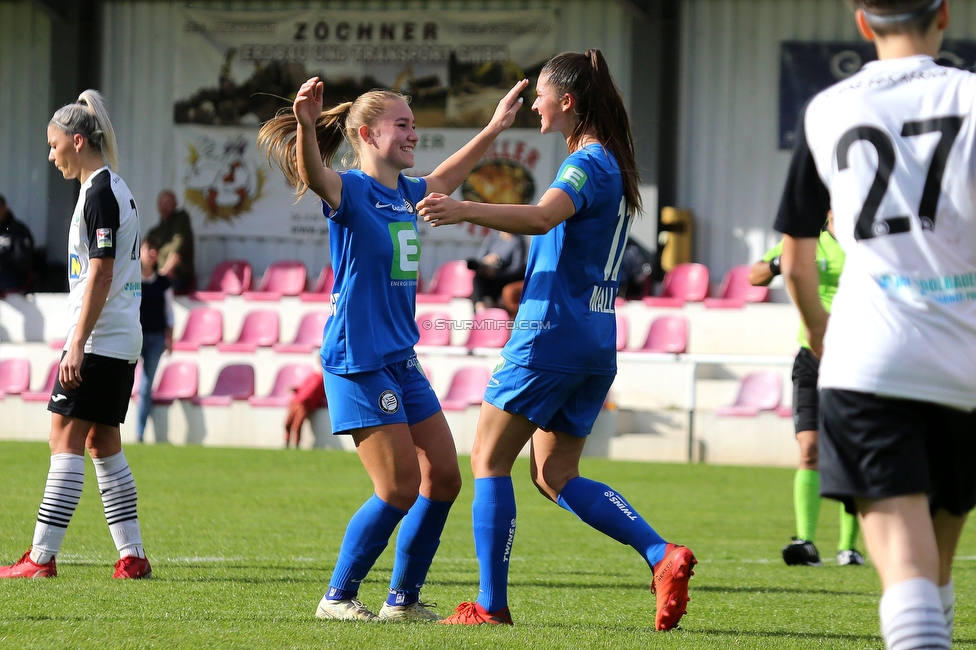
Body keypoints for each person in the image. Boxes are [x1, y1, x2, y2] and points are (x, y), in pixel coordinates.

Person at [418, 49, 697, 630]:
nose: (535, 104)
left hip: (550, 337)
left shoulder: (587, 163)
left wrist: (461, 207)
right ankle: (660, 554)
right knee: (553, 475)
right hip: (594, 339)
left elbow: (543, 218)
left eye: (541, 94)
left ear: (567, 101)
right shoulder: (610, 164)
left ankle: (490, 606)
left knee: (489, 460)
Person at [257, 75, 528, 621]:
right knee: (399, 487)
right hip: (358, 360)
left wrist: (496, 126)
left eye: (413, 123)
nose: (413, 132)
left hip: (400, 359)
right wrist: (307, 127)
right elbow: (314, 174)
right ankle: (337, 596)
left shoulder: (406, 193)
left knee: (445, 479)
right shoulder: (350, 190)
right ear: (365, 134)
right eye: (401, 124)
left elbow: (450, 174)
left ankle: (401, 601)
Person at [775, 0, 976, 647]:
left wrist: (818, 331)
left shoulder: (828, 108)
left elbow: (796, 261)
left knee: (909, 575)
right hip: (965, 359)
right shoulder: (972, 97)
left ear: (862, 22)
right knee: (936, 567)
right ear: (944, 15)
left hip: (872, 358)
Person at [0, 90, 151, 579]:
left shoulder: (101, 193)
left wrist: (78, 342)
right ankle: (132, 556)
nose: (51, 155)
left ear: (77, 140)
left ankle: (40, 558)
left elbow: (101, 275)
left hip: (102, 341)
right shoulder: (112, 189)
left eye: (53, 144)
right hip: (119, 338)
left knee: (63, 436)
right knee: (102, 443)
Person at [750, 213, 864, 568]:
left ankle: (848, 546)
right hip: (811, 358)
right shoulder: (807, 240)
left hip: (857, 360)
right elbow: (754, 276)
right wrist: (778, 262)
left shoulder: (867, 241)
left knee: (852, 452)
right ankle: (806, 541)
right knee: (809, 448)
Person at [136, 235, 174, 443]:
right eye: (148, 248)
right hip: (133, 339)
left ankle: (139, 433)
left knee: (145, 386)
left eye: (154, 250)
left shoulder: (162, 282)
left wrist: (170, 338)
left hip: (156, 338)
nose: (152, 253)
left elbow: (169, 313)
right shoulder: (131, 280)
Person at [147, 190, 195, 294]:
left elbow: (178, 248)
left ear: (175, 204)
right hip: (158, 276)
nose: (164, 206)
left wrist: (162, 274)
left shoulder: (181, 218)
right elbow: (145, 253)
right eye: (162, 203)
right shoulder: (154, 232)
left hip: (179, 277)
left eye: (168, 203)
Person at [467, 230, 527, 312]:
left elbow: (516, 268)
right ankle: (481, 307)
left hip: (505, 278)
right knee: (477, 279)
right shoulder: (493, 237)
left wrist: (497, 274)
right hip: (489, 276)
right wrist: (488, 261)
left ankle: (489, 305)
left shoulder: (518, 241)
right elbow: (481, 257)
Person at [0, 193, 35, 294]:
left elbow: (22, 260)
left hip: (15, 277)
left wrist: (3, 259)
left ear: (5, 208)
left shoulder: (17, 230)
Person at [284, 369, 325, 448]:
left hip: (305, 405)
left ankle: (296, 444)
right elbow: (303, 388)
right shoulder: (313, 376)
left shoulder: (323, 380)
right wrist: (294, 389)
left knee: (297, 425)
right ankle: (286, 442)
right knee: (287, 423)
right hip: (296, 402)